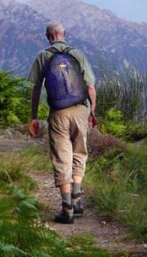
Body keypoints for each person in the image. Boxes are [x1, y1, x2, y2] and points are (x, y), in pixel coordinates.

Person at [27, 21, 97, 224]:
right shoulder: (78, 54)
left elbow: (35, 89)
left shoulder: (43, 56)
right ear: (63, 34)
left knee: (61, 157)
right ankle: (77, 201)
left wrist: (33, 116)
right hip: (81, 110)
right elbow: (91, 87)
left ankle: (67, 210)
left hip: (58, 113)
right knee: (79, 153)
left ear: (48, 36)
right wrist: (92, 111)